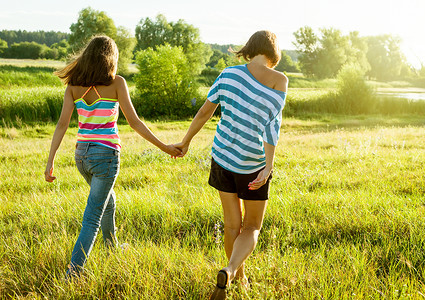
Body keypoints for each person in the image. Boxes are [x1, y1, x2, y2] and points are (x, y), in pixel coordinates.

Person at [44, 35, 181, 278]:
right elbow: (135, 122)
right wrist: (164, 146)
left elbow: (62, 125)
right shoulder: (117, 83)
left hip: (81, 156)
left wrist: (51, 160)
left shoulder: (74, 86)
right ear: (111, 59)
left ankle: (112, 246)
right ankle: (74, 272)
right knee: (92, 216)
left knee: (108, 200)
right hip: (105, 156)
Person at [174, 30, 288, 299]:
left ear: (250, 48)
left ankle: (239, 276)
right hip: (252, 163)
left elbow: (205, 111)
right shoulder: (279, 80)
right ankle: (233, 269)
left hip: (222, 158)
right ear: (273, 54)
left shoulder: (228, 74)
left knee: (231, 225)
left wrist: (186, 141)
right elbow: (273, 127)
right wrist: (267, 166)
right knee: (252, 227)